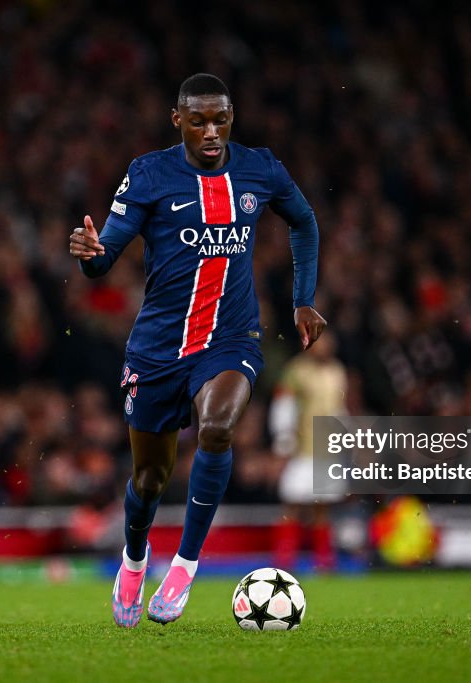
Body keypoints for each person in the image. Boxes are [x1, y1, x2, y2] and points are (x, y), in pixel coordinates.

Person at [69, 73, 326, 627]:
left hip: (232, 338)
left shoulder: (260, 168)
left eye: (222, 118)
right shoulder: (150, 174)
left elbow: (304, 221)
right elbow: (102, 258)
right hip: (159, 347)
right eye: (199, 119)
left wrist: (303, 299)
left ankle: (185, 567)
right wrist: (89, 252)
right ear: (177, 119)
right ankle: (135, 561)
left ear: (232, 117)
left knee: (216, 428)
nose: (212, 130)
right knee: (149, 482)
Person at [269, 330, 347, 569]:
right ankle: (284, 560)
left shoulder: (337, 371)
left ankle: (324, 562)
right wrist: (283, 442)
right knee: (292, 504)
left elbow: (340, 408)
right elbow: (284, 407)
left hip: (327, 450)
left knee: (322, 507)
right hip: (301, 449)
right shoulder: (296, 371)